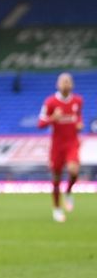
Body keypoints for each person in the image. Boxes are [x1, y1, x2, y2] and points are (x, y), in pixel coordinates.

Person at [38, 72, 82, 223]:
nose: (66, 84)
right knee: (56, 179)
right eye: (63, 81)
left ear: (72, 85)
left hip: (72, 143)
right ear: (57, 84)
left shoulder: (78, 100)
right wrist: (53, 118)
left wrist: (79, 124)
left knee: (73, 171)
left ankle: (68, 191)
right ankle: (57, 209)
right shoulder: (50, 102)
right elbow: (40, 124)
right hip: (57, 146)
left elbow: (78, 116)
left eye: (68, 81)